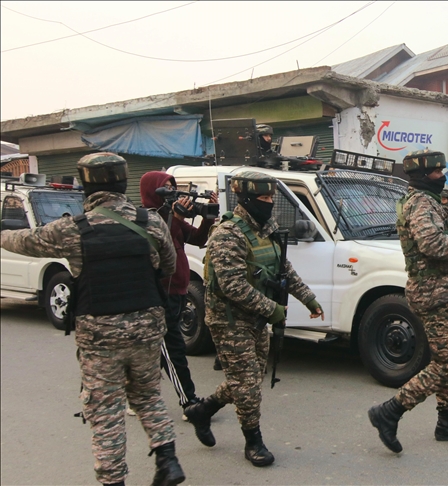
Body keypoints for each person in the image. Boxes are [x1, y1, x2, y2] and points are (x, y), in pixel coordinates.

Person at [0, 153, 185, 486]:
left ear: (86, 185)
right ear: (123, 182)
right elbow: (168, 266)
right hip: (146, 325)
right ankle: (168, 461)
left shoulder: (72, 229)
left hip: (100, 334)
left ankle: (113, 480)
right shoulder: (151, 222)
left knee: (105, 409)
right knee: (148, 396)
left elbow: (24, 241)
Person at [184, 170, 323, 467]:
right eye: (264, 197)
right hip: (229, 320)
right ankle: (253, 441)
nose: (270, 202)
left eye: (272, 197)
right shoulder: (227, 234)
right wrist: (273, 309)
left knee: (248, 379)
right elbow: (232, 285)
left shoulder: (266, 228)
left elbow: (283, 268)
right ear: (246, 199)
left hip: (256, 318)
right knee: (247, 385)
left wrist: (308, 298)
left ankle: (202, 410)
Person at [368, 149, 448, 453]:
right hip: (432, 292)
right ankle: (390, 411)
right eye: (437, 172)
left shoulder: (433, 200)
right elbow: (432, 244)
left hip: (444, 290)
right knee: (446, 364)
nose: (442, 176)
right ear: (423, 175)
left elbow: (445, 234)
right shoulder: (421, 203)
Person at [140, 171, 218, 413]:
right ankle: (189, 401)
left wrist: (208, 216)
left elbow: (197, 238)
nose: (172, 193)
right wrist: (175, 217)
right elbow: (161, 244)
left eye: (173, 187)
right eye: (166, 188)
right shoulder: (146, 219)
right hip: (161, 295)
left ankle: (139, 396)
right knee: (172, 348)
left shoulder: (170, 216)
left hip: (179, 292)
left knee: (157, 350)